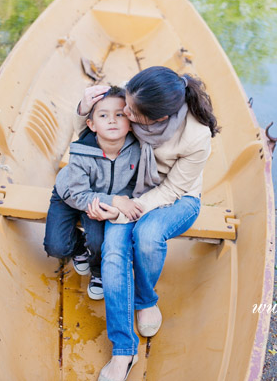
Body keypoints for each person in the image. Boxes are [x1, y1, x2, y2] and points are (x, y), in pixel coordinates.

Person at [79, 66, 220, 381]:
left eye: (131, 112)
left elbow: (172, 190)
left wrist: (122, 210)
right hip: (128, 187)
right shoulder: (136, 92)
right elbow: (93, 114)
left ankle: (145, 298)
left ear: (156, 119)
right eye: (125, 104)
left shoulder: (196, 136)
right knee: (114, 250)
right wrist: (82, 105)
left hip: (178, 196)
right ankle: (123, 351)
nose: (124, 112)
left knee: (147, 234)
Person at [43, 87, 143, 300]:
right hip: (70, 197)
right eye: (103, 116)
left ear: (130, 120)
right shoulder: (81, 151)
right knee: (56, 247)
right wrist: (115, 200)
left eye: (120, 115)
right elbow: (79, 196)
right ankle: (78, 247)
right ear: (91, 125)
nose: (112, 121)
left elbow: (133, 184)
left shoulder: (137, 149)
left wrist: (118, 201)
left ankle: (97, 272)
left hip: (102, 205)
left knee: (99, 242)